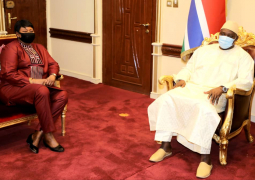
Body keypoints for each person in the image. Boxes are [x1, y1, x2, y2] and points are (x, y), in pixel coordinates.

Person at [148, 21, 254, 178]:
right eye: (223, 34)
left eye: (230, 36)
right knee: (167, 99)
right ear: (219, 34)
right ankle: (165, 146)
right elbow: (188, 68)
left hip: (217, 94)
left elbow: (246, 81)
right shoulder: (204, 50)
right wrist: (182, 78)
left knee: (203, 108)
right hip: (193, 87)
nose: (225, 37)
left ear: (236, 38)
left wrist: (223, 87)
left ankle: (205, 159)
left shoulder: (243, 57)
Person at [0, 20, 68, 154]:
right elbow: (8, 74)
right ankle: (48, 135)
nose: (29, 34)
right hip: (12, 88)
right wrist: (33, 81)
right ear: (18, 34)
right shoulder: (11, 48)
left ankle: (38, 134)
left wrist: (53, 76)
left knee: (62, 94)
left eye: (31, 31)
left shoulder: (39, 47)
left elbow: (53, 64)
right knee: (42, 90)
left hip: (38, 88)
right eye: (25, 32)